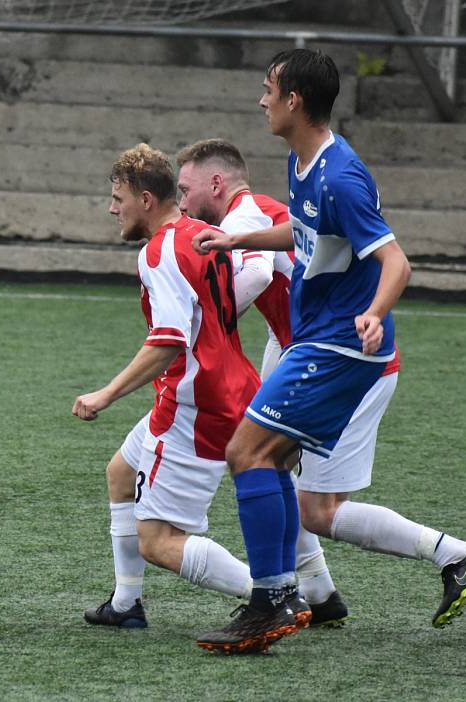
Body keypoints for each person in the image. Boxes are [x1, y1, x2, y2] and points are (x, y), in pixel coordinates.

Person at [192, 49, 466, 654]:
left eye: (268, 90)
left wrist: (374, 313)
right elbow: (309, 233)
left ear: (295, 100)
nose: (262, 100)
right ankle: (283, 595)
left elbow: (396, 262)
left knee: (248, 453)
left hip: (339, 346)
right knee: (271, 462)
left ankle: (274, 598)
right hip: (320, 339)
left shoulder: (340, 175)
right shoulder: (304, 162)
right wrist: (240, 238)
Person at [72, 143, 303, 638]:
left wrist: (105, 394)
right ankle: (126, 601)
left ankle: (270, 595)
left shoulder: (158, 251)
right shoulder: (204, 232)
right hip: (233, 384)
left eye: (119, 198)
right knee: (121, 470)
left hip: (194, 402)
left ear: (147, 199)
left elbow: (169, 341)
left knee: (156, 541)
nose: (113, 208)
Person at [175, 137, 347, 626]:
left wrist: (212, 331)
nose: (182, 200)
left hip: (315, 351)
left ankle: (447, 552)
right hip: (292, 342)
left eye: (186, 189)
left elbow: (253, 276)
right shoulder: (253, 211)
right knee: (273, 464)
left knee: (283, 478)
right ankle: (316, 590)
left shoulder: (242, 217)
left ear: (216, 183)